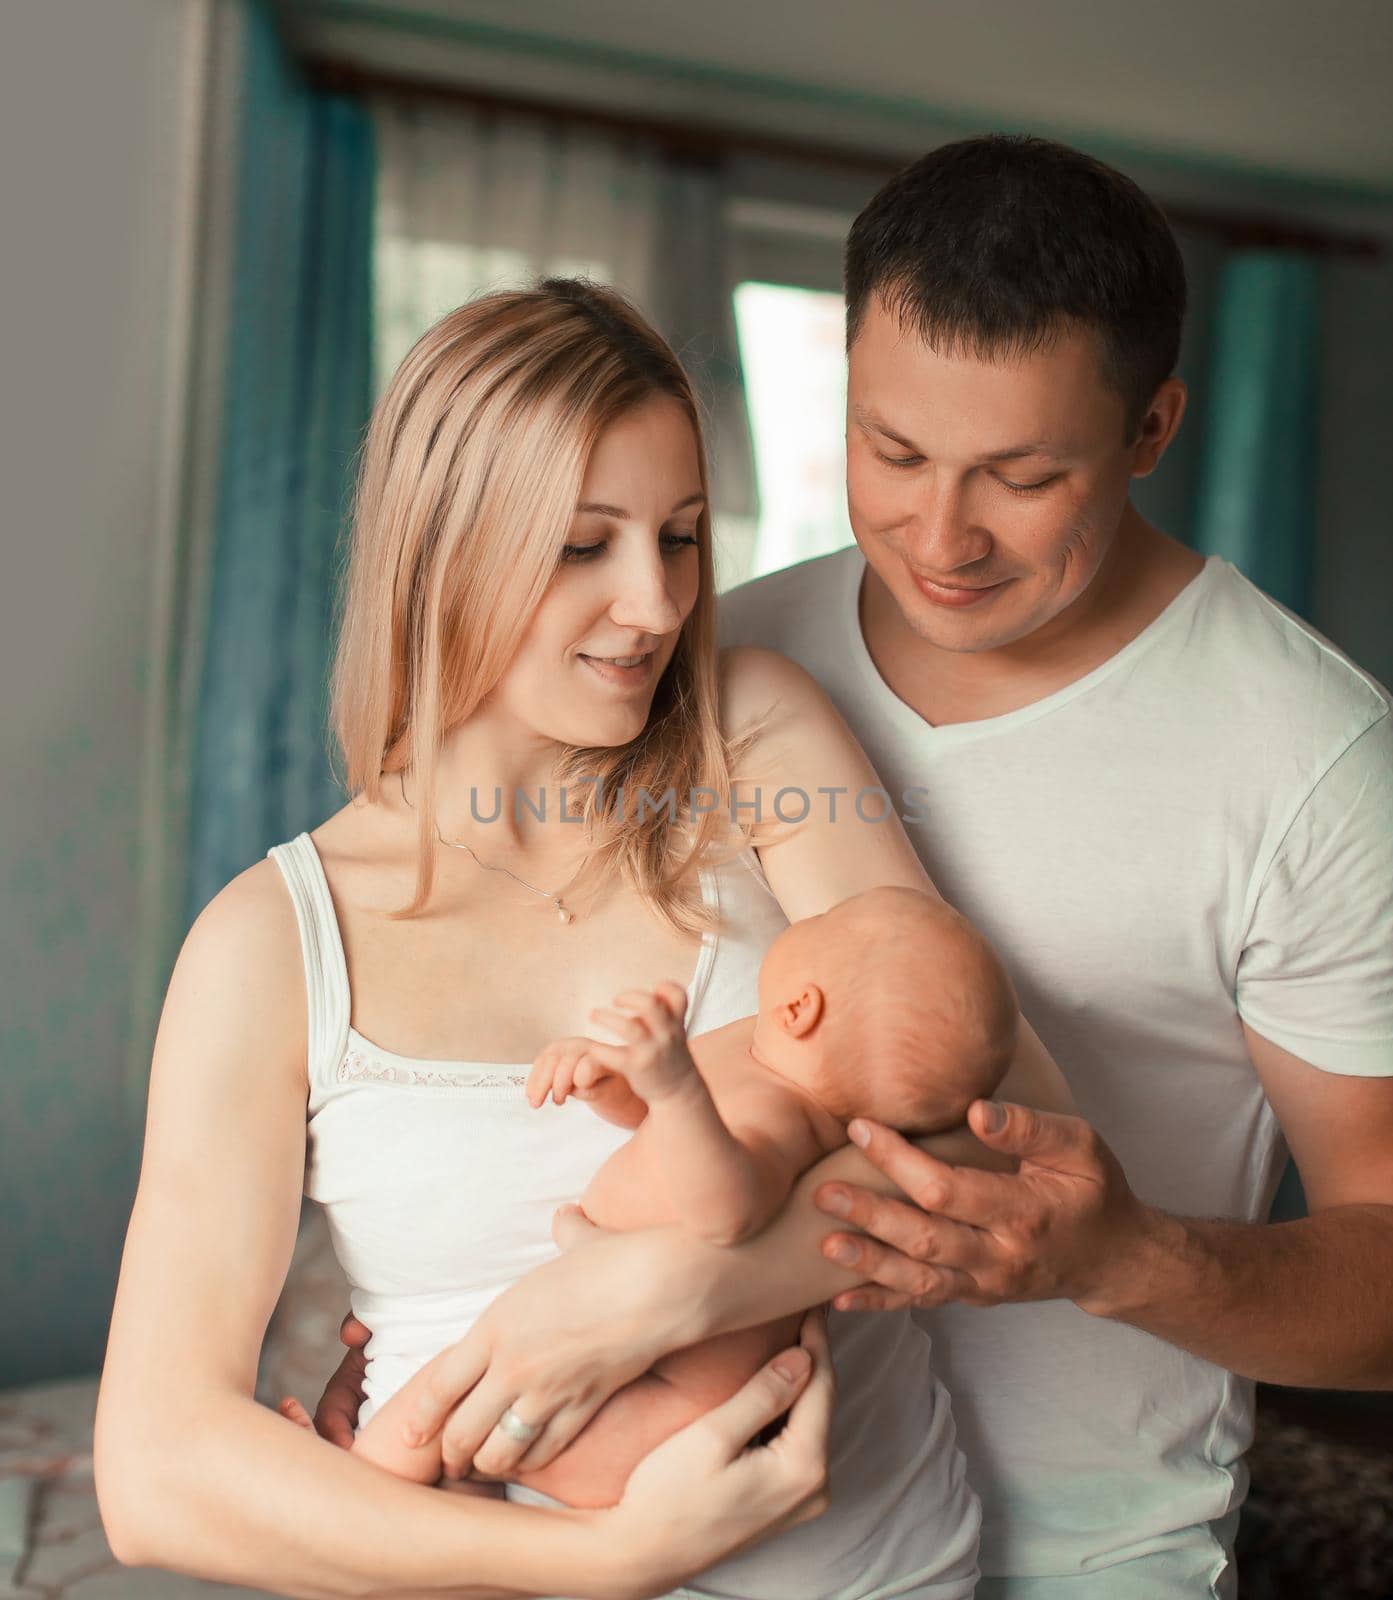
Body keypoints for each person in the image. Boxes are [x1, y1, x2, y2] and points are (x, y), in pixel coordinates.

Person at [312, 137, 1392, 1600]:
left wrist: (1126, 1256)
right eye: (891, 453)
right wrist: (440, 1320)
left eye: (1020, 475)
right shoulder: (707, 665)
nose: (938, 538)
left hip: (1084, 1559)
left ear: (1151, 428)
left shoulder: (1313, 763)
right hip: (705, 1540)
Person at [94, 276, 1068, 1600]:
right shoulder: (269, 947)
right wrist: (601, 1560)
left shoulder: (752, 739)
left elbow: (1015, 1141)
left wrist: (675, 1292)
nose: (656, 606)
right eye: (581, 545)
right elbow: (158, 1474)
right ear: (443, 548)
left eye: (676, 538)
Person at [334, 886, 1023, 1512]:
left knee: (422, 1428)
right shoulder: (756, 1051)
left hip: (677, 1397)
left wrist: (673, 1087)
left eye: (827, 918)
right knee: (457, 1438)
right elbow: (668, 1138)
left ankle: (365, 1503)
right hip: (654, 1370)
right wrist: (615, 1085)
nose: (814, 912)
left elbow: (725, 1213)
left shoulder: (783, 1118)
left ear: (799, 1007)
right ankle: (432, 1511)